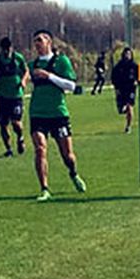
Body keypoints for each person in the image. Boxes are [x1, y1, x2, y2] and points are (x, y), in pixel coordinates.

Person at [27, 29, 86, 201]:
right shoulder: (32, 66)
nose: (37, 44)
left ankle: (73, 173)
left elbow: (71, 86)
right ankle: (44, 188)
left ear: (49, 42)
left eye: (40, 39)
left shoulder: (62, 62)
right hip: (37, 113)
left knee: (67, 155)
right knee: (40, 149)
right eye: (35, 41)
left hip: (58, 113)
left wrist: (49, 76)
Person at [0, 37, 29, 156]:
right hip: (2, 96)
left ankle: (20, 138)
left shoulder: (18, 58)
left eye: (8, 49)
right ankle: (8, 149)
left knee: (16, 122)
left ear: (11, 48)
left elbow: (26, 71)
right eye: (4, 49)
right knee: (3, 124)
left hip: (16, 96)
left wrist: (24, 81)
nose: (7, 51)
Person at [111, 47, 140, 133]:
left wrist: (137, 81)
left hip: (130, 89)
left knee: (129, 106)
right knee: (121, 109)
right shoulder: (119, 66)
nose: (127, 56)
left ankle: (128, 126)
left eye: (129, 54)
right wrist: (116, 88)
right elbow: (114, 77)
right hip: (121, 89)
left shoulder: (134, 65)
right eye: (126, 54)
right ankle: (123, 108)